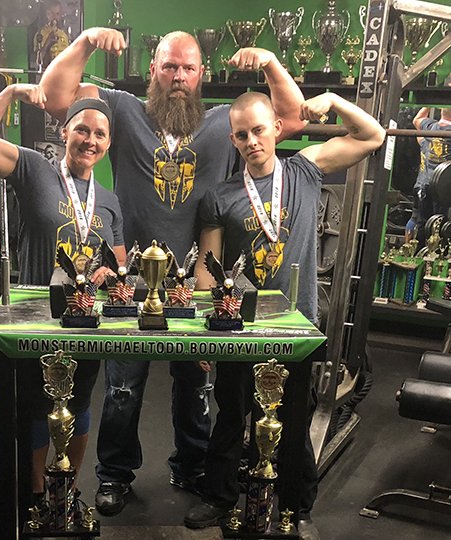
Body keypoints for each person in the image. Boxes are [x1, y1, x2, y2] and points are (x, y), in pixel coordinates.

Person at [39, 27, 307, 516]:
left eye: (187, 67)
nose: (178, 76)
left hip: (198, 285)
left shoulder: (225, 122)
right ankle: (114, 474)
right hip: (129, 284)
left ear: (201, 73)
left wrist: (270, 62)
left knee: (196, 386)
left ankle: (193, 466)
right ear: (153, 71)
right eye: (169, 66)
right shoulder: (123, 111)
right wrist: (85, 41)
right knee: (122, 388)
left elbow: (289, 117)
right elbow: (55, 96)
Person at [183, 91, 386, 539]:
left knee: (294, 421)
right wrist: (204, 332)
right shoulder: (220, 196)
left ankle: (296, 507)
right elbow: (207, 271)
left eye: (258, 130)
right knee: (231, 415)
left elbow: (372, 136)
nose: (251, 141)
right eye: (241, 135)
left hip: (296, 325)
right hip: (240, 326)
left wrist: (333, 100)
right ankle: (220, 497)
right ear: (233, 141)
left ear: (276, 128)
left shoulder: (305, 169)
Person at [0, 85, 126, 514]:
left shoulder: (109, 202)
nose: (90, 140)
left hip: (86, 323)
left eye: (100, 134)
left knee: (80, 403)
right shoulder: (35, 169)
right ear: (64, 131)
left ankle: (66, 491)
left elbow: (120, 264)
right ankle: (35, 493)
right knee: (36, 407)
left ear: (109, 143)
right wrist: (10, 92)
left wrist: (112, 275)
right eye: (82, 129)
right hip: (38, 319)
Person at [409, 107, 451, 245]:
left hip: (423, 186)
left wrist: (428, 105)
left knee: (418, 220)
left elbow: (417, 120)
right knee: (441, 225)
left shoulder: (430, 128)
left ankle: (413, 252)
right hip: (443, 190)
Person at [34, 0, 70, 71]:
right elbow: (38, 63)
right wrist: (48, 43)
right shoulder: (40, 34)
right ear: (47, 14)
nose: (54, 17)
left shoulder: (64, 35)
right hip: (46, 73)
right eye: (51, 14)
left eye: (57, 14)